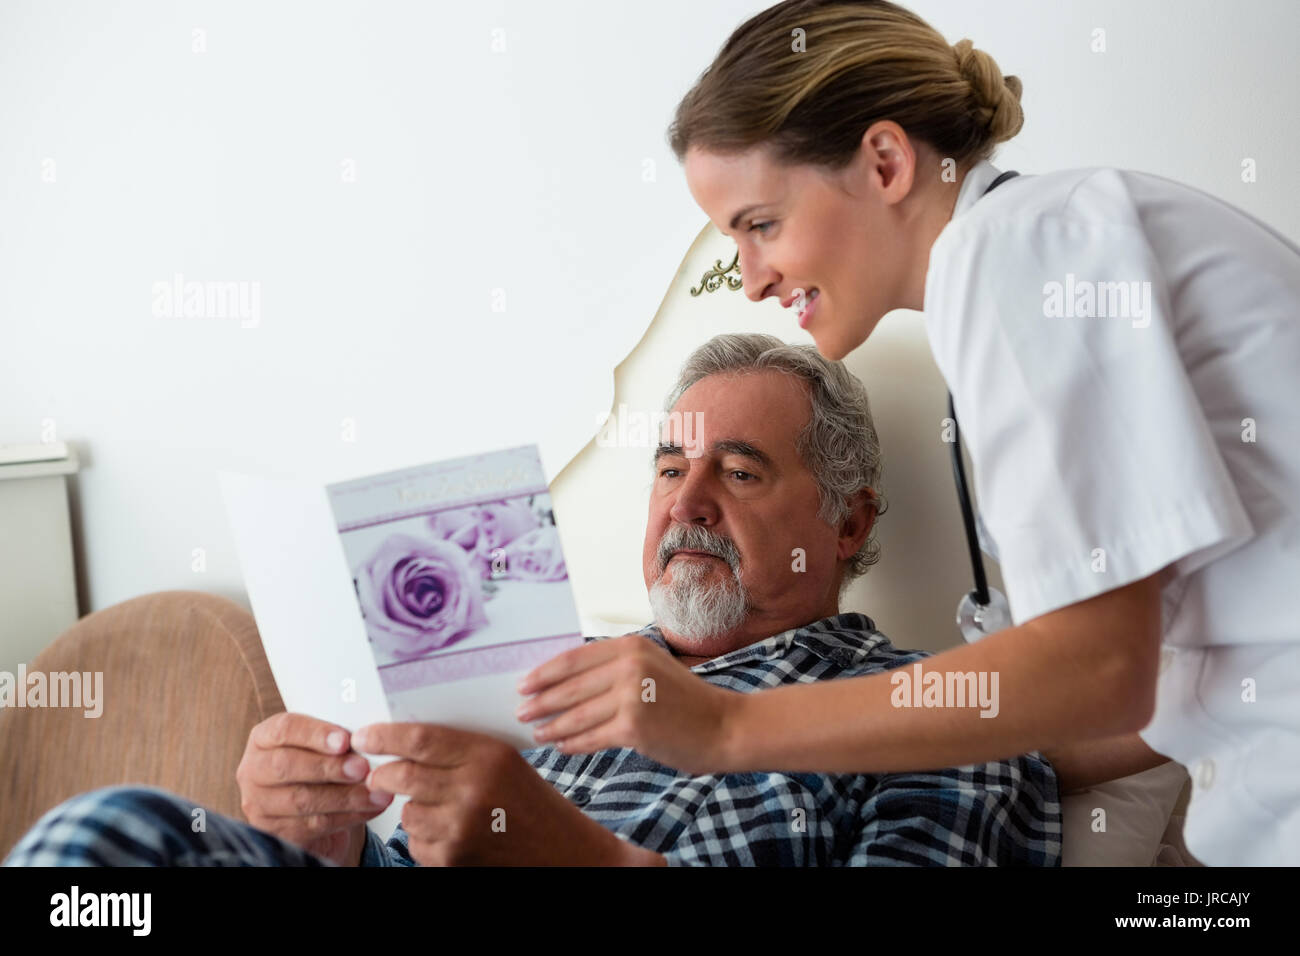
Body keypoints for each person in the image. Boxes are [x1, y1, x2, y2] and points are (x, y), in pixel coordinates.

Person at [515, 0, 1300, 867]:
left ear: (885, 162)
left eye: (761, 225)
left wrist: (729, 726)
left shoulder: (1022, 250)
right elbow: (1134, 676)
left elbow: (1099, 670)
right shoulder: (1034, 259)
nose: (752, 278)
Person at [3, 334, 1059, 867]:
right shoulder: (545, 658)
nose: (685, 503)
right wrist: (327, 841)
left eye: (736, 471)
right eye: (665, 469)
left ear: (845, 520)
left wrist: (583, 856)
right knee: (114, 834)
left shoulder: (935, 712)